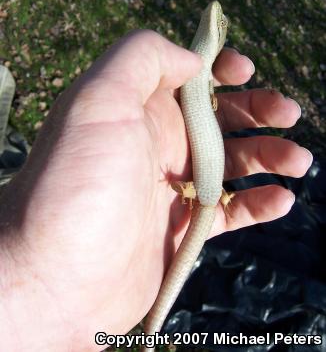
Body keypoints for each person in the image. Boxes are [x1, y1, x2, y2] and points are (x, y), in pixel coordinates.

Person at [0, 30, 312, 351]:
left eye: (220, 23)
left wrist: (31, 289)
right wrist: (31, 280)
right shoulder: (197, 68)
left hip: (204, 188)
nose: (216, 21)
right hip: (204, 186)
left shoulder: (199, 65)